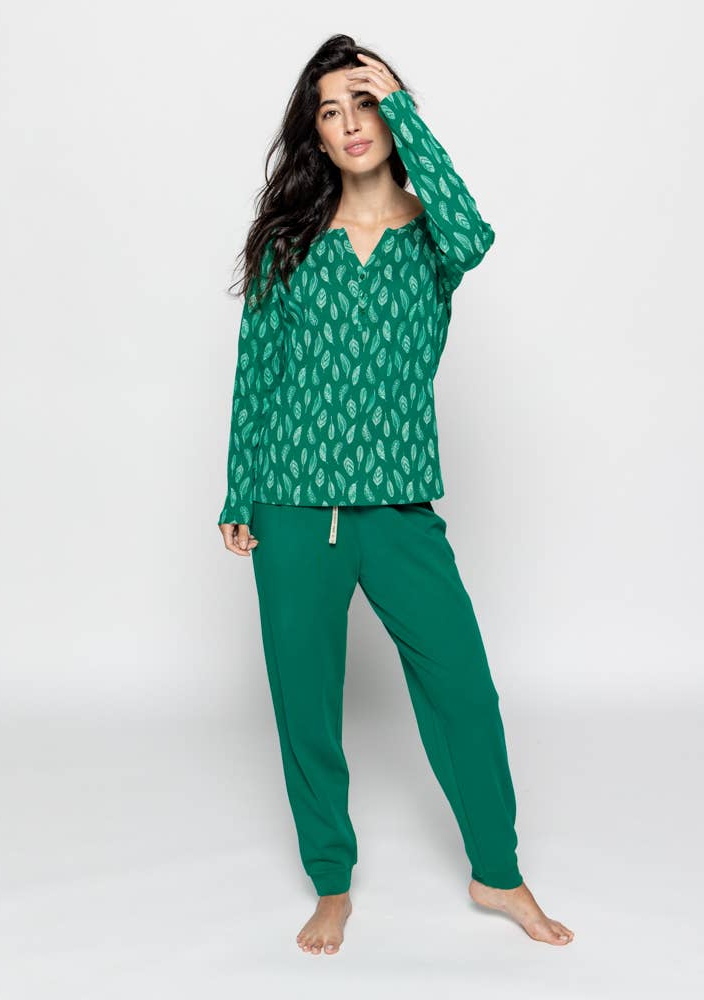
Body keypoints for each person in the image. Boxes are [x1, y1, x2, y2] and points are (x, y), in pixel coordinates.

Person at [216, 35, 574, 955]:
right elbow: (258, 373)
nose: (350, 124)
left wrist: (408, 110)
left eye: (365, 103)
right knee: (305, 704)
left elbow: (476, 235)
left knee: (463, 692)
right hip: (294, 507)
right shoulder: (290, 243)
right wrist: (239, 491)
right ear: (316, 135)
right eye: (331, 112)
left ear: (392, 112)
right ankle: (331, 881)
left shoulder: (433, 238)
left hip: (398, 509)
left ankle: (498, 873)